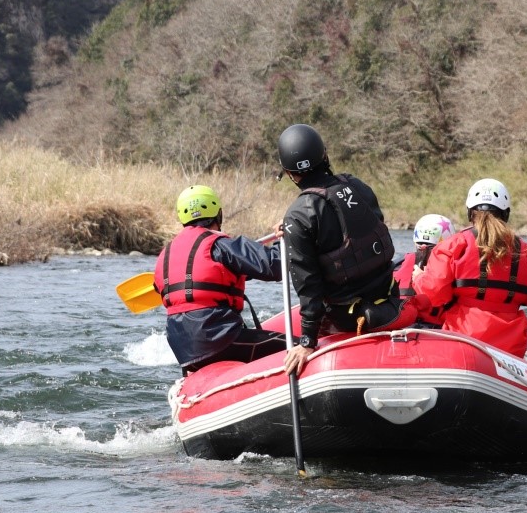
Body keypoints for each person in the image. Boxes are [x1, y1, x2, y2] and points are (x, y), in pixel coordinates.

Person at [276, 123, 424, 375]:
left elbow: (308, 285)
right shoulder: (356, 185)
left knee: (276, 343)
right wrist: (293, 230)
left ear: (290, 173)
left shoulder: (298, 217)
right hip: (389, 301)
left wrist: (307, 342)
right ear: (324, 155)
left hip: (348, 318)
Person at [416, 178, 527, 358]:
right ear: (506, 214)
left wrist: (419, 277)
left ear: (470, 213)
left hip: (463, 340)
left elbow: (432, 294)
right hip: (510, 348)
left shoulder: (452, 246)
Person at [152, 184, 285, 374]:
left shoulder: (165, 255)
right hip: (220, 341)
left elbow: (202, 284)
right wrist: (285, 238)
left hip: (184, 351)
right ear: (218, 214)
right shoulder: (221, 245)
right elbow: (275, 266)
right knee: (294, 347)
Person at [394, 213, 456, 328]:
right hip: (436, 330)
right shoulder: (455, 269)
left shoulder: (397, 264)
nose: (424, 248)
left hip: (402, 326)